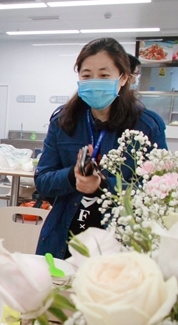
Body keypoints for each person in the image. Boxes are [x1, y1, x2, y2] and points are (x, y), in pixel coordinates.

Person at [35, 38, 167, 259]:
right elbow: (42, 181)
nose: (95, 82)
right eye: (87, 76)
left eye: (104, 76)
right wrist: (72, 176)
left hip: (121, 243)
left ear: (123, 77)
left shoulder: (146, 126)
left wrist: (103, 185)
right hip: (63, 239)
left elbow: (159, 190)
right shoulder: (63, 121)